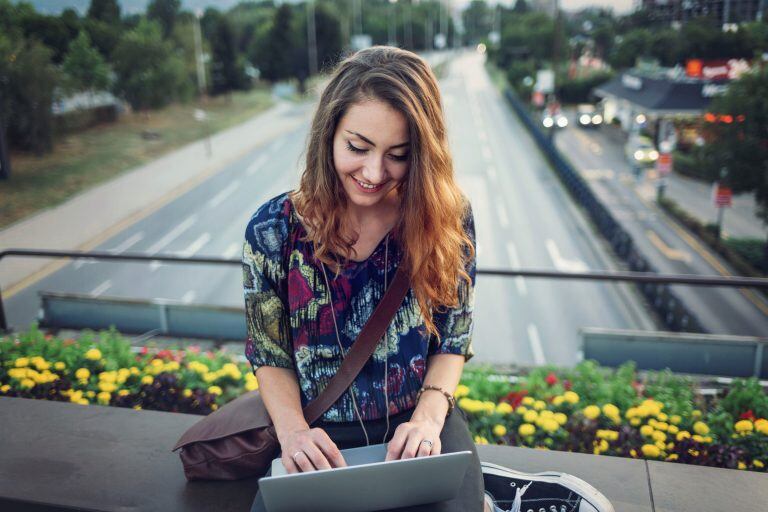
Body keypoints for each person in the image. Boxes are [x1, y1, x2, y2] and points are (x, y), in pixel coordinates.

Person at [242, 46, 613, 512]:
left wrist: (428, 419)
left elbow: (453, 339)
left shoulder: (447, 219)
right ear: (328, 135)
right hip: (318, 432)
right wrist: (294, 432)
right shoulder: (272, 231)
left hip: (417, 422)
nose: (374, 174)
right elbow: (268, 353)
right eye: (357, 147)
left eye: (398, 155)